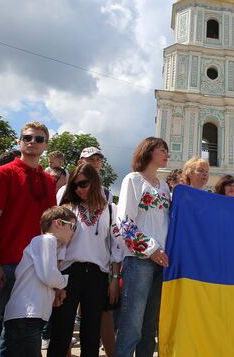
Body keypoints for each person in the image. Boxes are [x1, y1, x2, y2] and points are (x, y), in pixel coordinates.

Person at [0, 122, 57, 356]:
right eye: (27, 138)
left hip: (31, 269)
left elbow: (49, 232)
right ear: (19, 142)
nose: (32, 142)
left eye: (39, 139)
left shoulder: (48, 181)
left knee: (14, 333)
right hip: (3, 263)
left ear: (46, 145)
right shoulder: (3, 173)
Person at [48, 164, 122, 357]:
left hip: (97, 276)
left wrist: (114, 279)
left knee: (91, 332)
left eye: (83, 183)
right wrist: (56, 284)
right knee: (61, 330)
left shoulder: (111, 210)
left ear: (95, 182)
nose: (79, 189)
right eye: (74, 185)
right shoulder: (67, 209)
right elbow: (57, 248)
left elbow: (116, 247)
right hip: (69, 274)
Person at [116, 137, 171, 357]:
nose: (167, 154)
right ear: (148, 152)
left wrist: (163, 253)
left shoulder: (165, 186)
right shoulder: (133, 180)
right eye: (162, 150)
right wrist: (151, 250)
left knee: (150, 326)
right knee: (132, 323)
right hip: (139, 261)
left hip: (162, 262)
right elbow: (124, 222)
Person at [3, 206, 75, 356]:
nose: (74, 232)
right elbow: (49, 275)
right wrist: (63, 283)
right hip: (28, 315)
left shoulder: (42, 243)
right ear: (58, 223)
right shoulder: (47, 240)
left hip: (24, 316)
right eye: (72, 226)